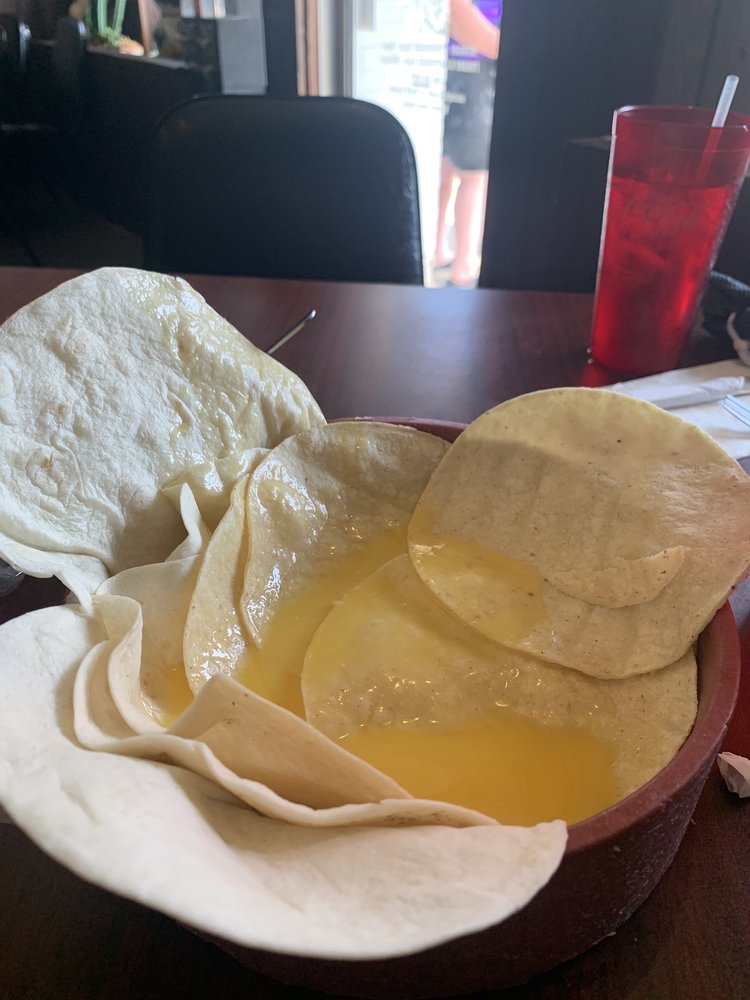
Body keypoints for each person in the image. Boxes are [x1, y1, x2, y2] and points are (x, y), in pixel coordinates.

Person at [433, 0, 501, 287]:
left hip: (450, 73)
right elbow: (456, 12)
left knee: (445, 168)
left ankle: (438, 250)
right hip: (473, 83)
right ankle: (463, 265)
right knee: (473, 178)